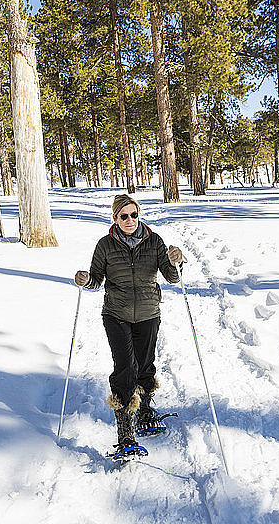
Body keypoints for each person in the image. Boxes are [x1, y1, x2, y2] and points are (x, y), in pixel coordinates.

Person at [75, 193, 183, 456]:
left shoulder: (154, 240)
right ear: (115, 218)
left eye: (134, 214)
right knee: (125, 367)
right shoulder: (105, 245)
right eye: (124, 216)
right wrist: (85, 280)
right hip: (116, 315)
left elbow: (173, 278)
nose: (130, 220)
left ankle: (145, 409)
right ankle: (125, 434)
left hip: (148, 313)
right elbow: (96, 280)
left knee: (145, 364)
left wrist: (175, 260)